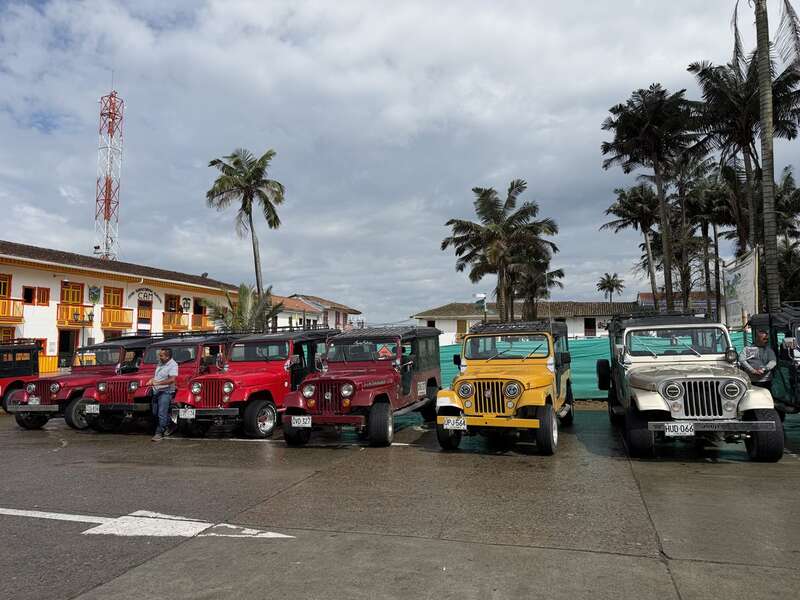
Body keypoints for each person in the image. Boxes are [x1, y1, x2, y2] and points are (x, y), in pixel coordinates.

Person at [147, 347, 178, 441]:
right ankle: (171, 424)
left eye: (161, 355)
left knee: (161, 413)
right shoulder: (161, 363)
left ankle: (159, 433)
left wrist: (157, 383)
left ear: (168, 356)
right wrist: (152, 380)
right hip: (156, 391)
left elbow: (172, 379)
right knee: (155, 412)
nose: (159, 357)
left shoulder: (173, 365)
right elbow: (158, 376)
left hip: (166, 392)